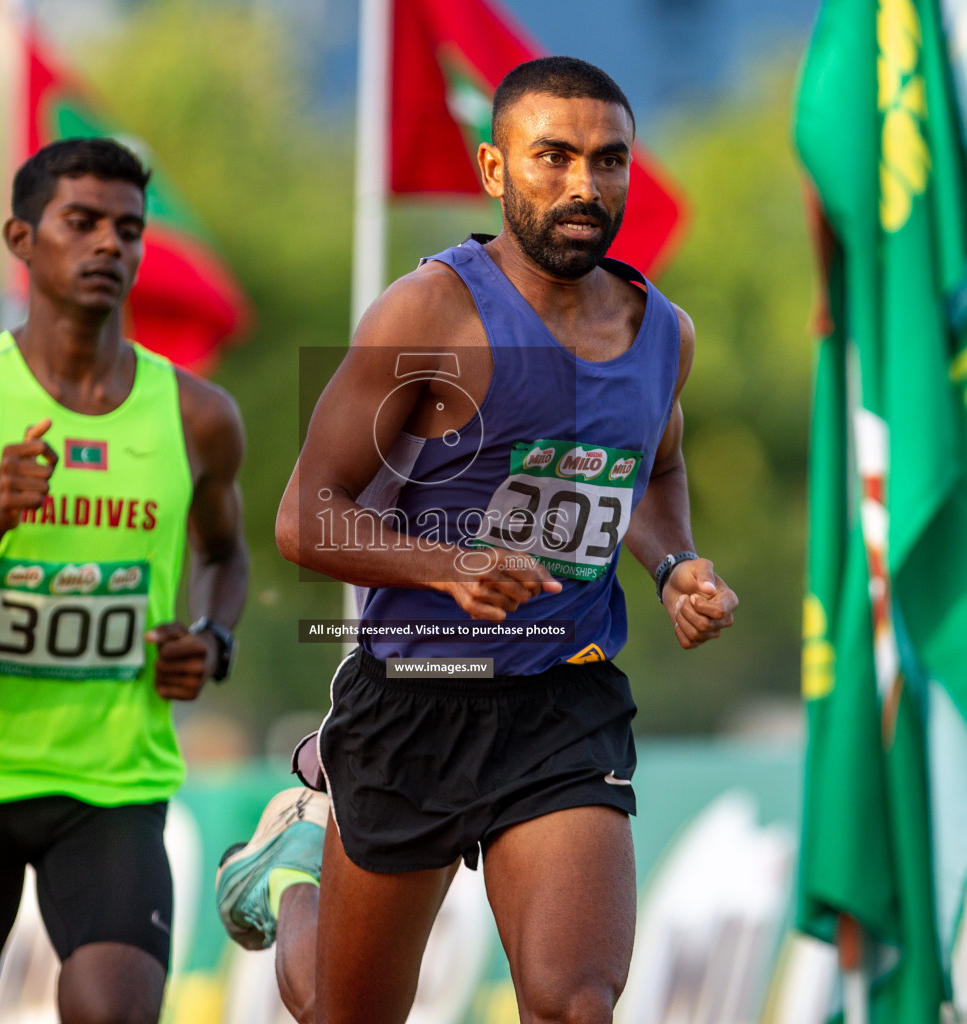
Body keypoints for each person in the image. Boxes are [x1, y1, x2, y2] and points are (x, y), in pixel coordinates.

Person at [215, 56, 739, 1024]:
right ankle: (289, 874)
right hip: (415, 699)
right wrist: (447, 565)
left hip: (564, 694)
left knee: (574, 1001)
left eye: (610, 160)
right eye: (555, 158)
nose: (586, 185)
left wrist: (676, 565)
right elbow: (306, 515)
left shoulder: (664, 330)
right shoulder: (429, 312)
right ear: (496, 171)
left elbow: (652, 472)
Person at [0, 138, 247, 1024]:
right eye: (81, 223)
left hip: (113, 784)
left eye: (128, 229)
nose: (109, 246)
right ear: (21, 238)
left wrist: (213, 638)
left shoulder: (198, 417)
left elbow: (226, 555)